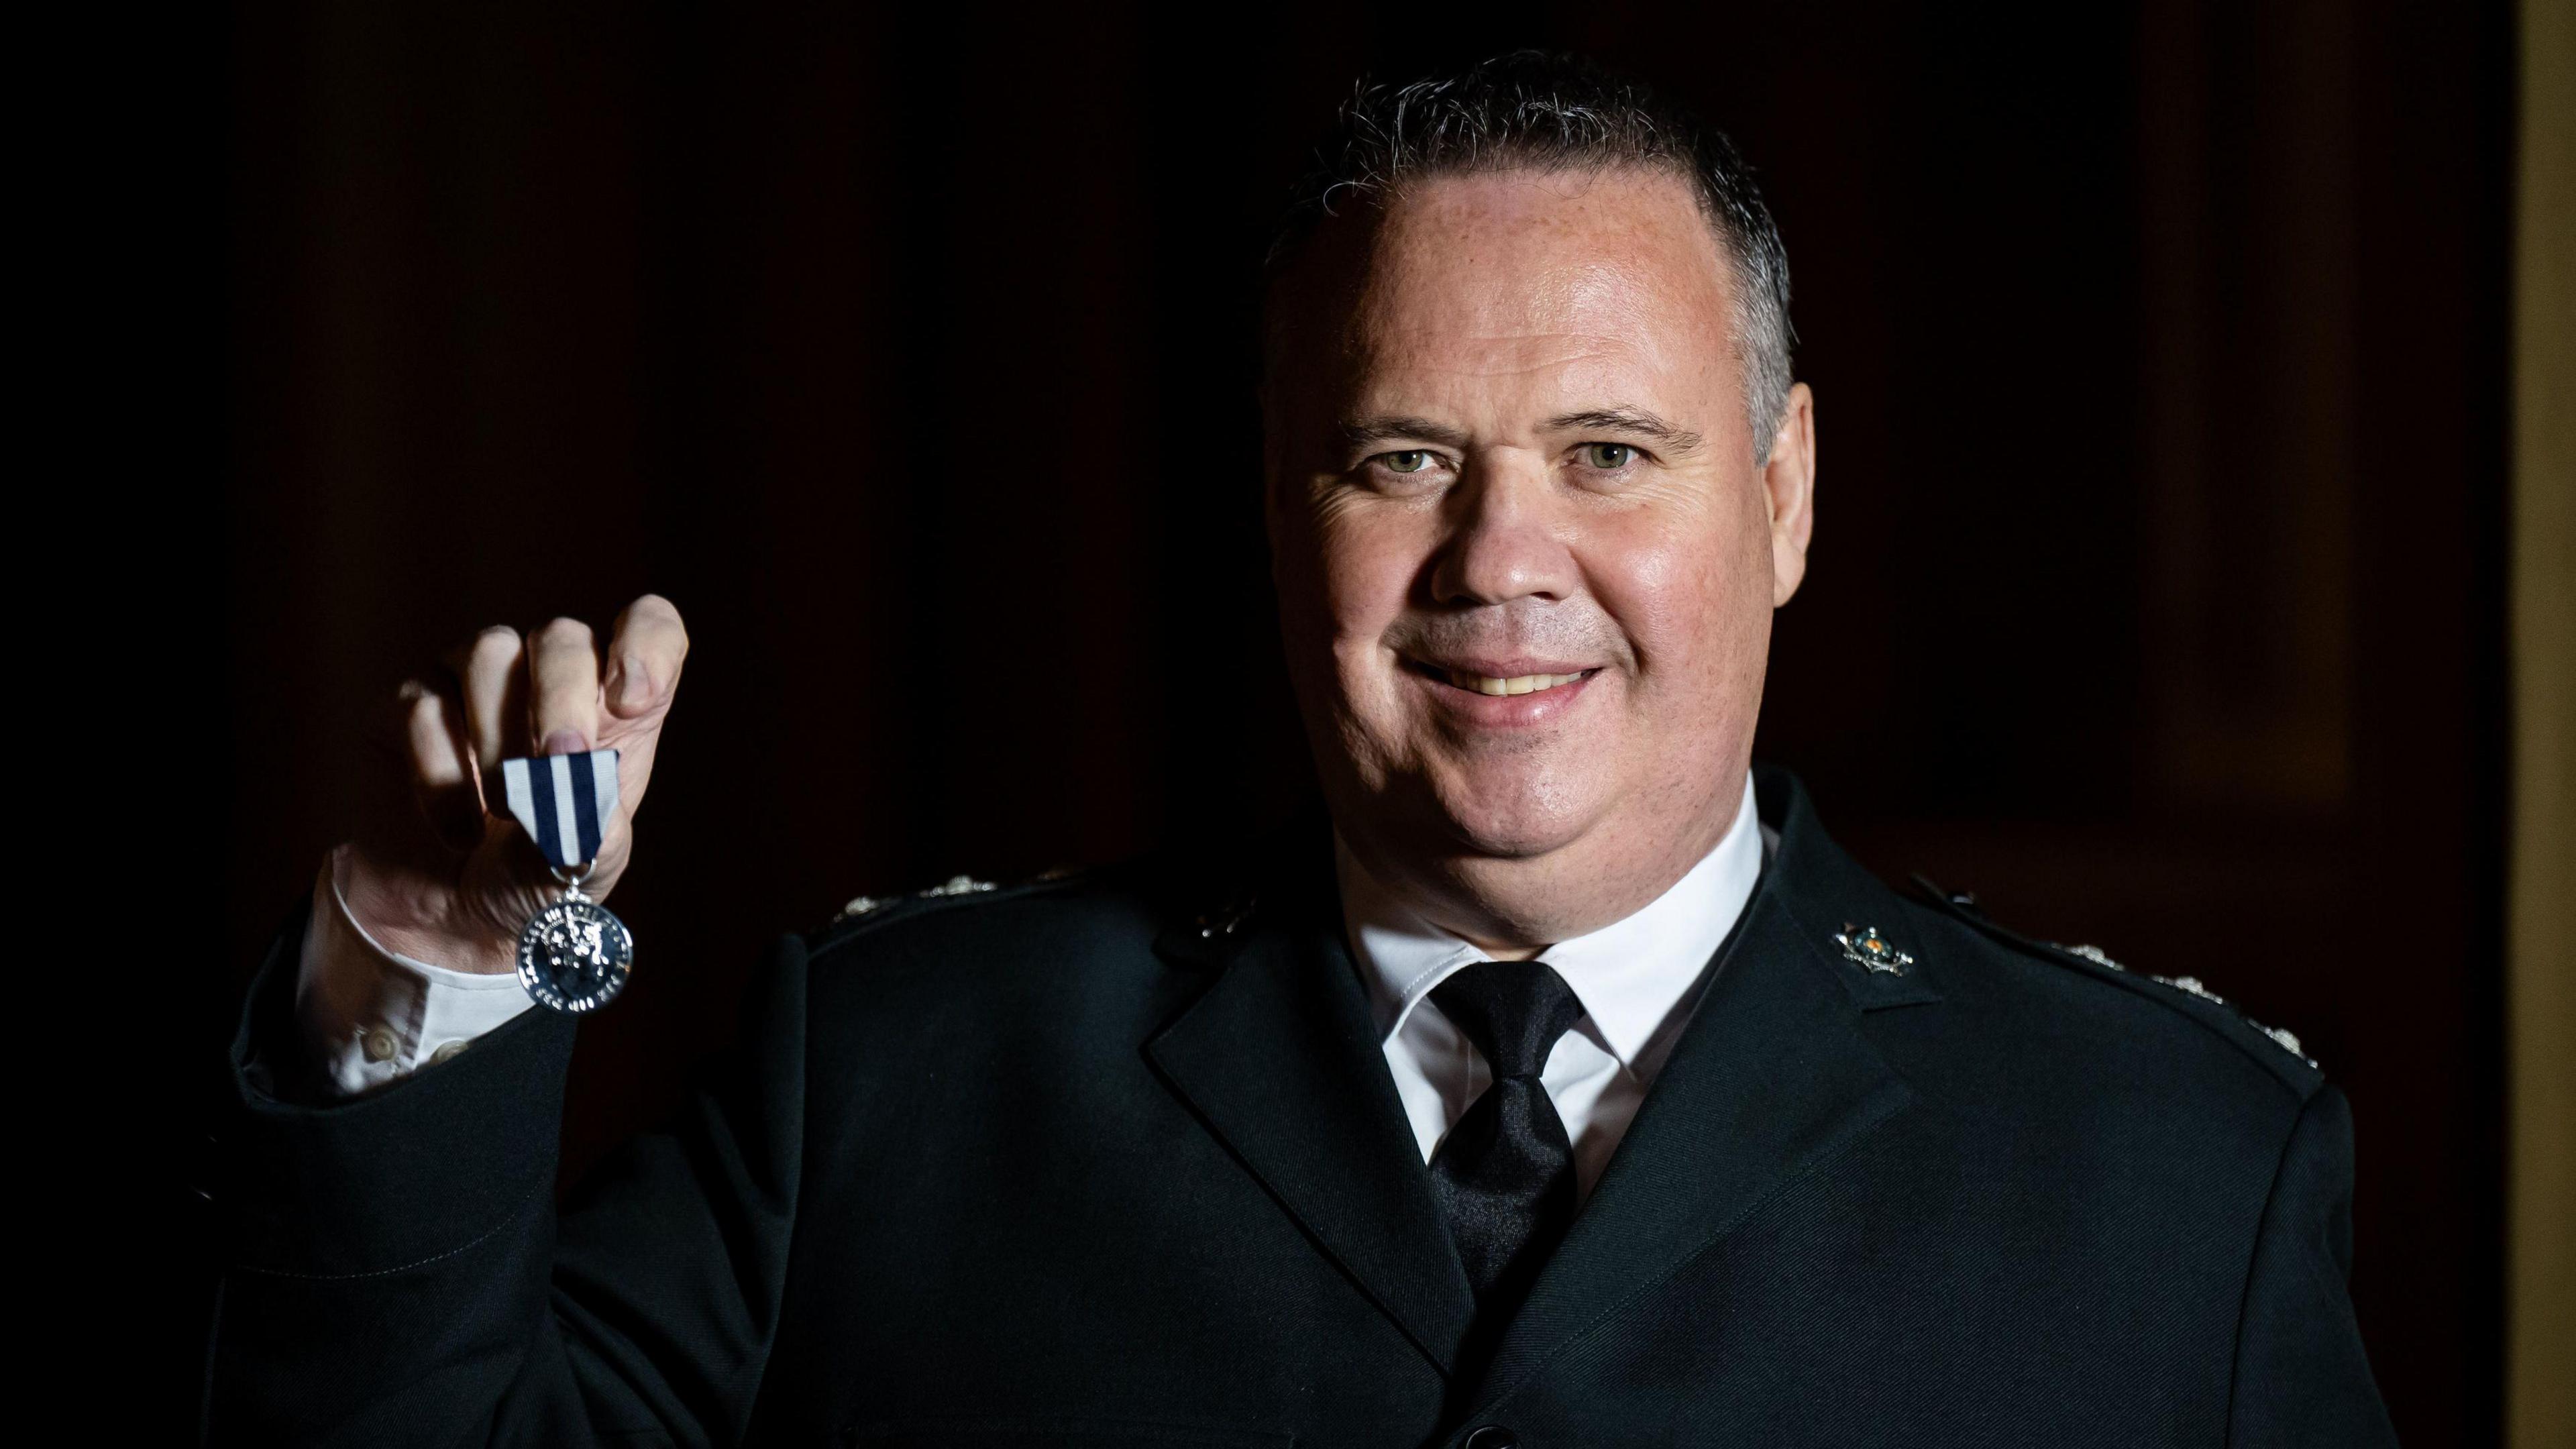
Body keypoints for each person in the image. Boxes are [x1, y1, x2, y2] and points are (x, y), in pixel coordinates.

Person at [201, 52, 2398, 1447]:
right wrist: (428, 960)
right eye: (1404, 457)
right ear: (1279, 510)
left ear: (1790, 493)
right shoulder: (887, 1076)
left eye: (1612, 452)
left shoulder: (2173, 1175)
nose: (1500, 561)